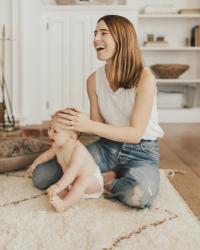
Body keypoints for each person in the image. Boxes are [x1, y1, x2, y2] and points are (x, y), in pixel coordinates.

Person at [32, 15, 164, 209]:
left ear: (122, 38)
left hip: (141, 151)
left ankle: (106, 180)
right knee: (42, 176)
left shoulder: (145, 78)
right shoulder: (93, 80)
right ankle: (101, 177)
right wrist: (71, 121)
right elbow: (96, 124)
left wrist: (88, 124)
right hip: (107, 147)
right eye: (95, 33)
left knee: (139, 196)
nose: (95, 39)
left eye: (103, 33)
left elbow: (135, 134)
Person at [27, 119, 104, 212]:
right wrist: (34, 165)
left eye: (55, 131)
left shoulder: (78, 151)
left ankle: (64, 205)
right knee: (56, 192)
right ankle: (66, 200)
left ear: (71, 137)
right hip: (71, 183)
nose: (49, 133)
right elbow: (46, 155)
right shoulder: (57, 145)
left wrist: (58, 186)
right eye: (49, 128)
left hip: (92, 183)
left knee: (81, 181)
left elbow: (72, 172)